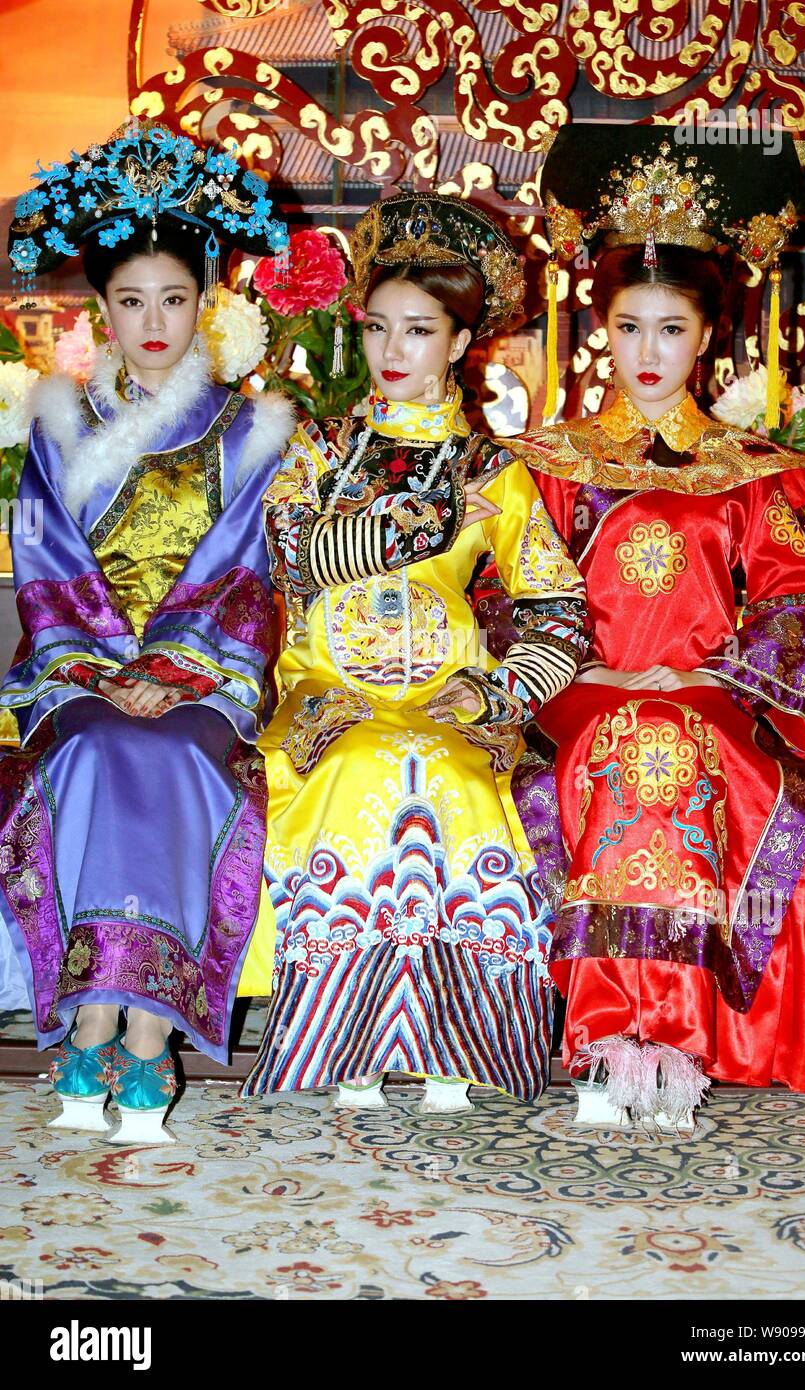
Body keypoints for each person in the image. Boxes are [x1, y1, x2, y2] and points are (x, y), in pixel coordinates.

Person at [509, 126, 805, 1132]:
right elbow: (510, 593)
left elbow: (790, 597)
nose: (647, 352)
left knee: (669, 745)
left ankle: (668, 1036)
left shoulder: (747, 470)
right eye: (627, 327)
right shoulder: (548, 462)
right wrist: (587, 675)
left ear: (705, 338)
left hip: (707, 690)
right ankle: (618, 1033)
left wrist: (718, 680)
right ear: (598, 331)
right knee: (630, 743)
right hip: (576, 686)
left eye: (669, 329)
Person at [238, 194, 590, 1111]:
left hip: (448, 696)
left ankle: (453, 1043)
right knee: (361, 764)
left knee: (453, 777)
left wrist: (495, 693)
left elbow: (559, 611)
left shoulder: (491, 471)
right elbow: (292, 562)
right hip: (329, 690)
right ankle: (341, 1039)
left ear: (461, 345)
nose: (393, 352)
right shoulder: (315, 450)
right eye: (377, 329)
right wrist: (415, 523)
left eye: (420, 331)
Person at [0, 122, 293, 1143]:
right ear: (103, 312)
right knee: (91, 742)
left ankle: (123, 1028)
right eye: (131, 301)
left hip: (200, 686)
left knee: (154, 748)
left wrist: (175, 671)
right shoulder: (56, 426)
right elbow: (44, 570)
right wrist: (94, 668)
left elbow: (246, 576)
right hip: (77, 676)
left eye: (174, 298)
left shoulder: (250, 435)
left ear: (205, 301)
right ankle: (114, 1020)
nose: (154, 321)